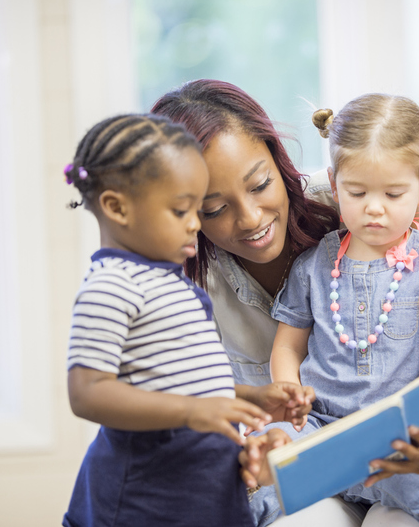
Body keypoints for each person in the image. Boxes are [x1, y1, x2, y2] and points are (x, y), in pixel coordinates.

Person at [151, 81, 419, 527]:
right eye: (215, 208)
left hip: (409, 440)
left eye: (260, 184)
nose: (250, 219)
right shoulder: (286, 270)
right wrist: (276, 423)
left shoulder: (413, 238)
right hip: (317, 434)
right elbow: (271, 367)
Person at [62, 113, 311, 527]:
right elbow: (86, 393)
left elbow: (187, 383)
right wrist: (192, 412)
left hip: (207, 497)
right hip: (141, 503)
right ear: (116, 207)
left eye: (200, 209)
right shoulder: (111, 286)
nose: (196, 225)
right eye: (183, 210)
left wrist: (251, 398)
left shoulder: (172, 282)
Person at [260, 93, 419, 527]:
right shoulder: (312, 265)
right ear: (334, 181)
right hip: (318, 431)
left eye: (393, 193)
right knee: (256, 476)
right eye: (357, 192)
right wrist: (290, 399)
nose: (374, 207)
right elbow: (287, 348)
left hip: (391, 439)